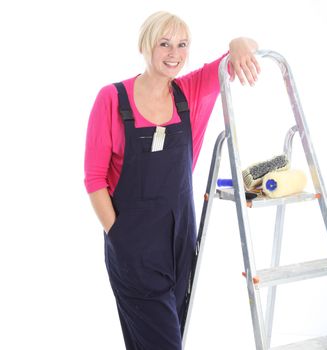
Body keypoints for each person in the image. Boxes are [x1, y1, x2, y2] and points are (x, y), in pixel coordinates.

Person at [84, 10, 260, 350]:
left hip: (179, 245)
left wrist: (240, 42)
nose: (174, 53)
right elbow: (94, 180)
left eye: (182, 45)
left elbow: (237, 55)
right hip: (133, 248)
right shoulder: (112, 99)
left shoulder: (189, 92)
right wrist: (120, 237)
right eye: (164, 44)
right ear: (146, 45)